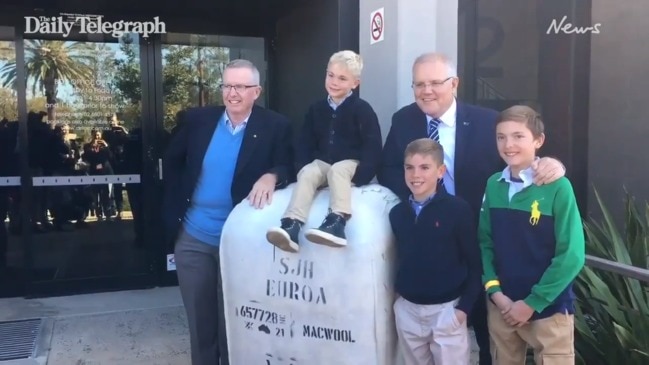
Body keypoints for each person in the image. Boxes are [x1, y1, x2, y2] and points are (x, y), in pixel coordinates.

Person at [377, 52, 566, 365]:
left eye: (435, 83)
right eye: (419, 84)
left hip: (483, 235)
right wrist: (423, 208)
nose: (427, 91)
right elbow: (389, 168)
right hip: (433, 239)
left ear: (454, 83)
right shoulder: (404, 120)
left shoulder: (486, 121)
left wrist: (553, 164)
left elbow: (517, 157)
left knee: (488, 328)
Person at [162, 59, 294, 365]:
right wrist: (173, 205)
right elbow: (172, 161)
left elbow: (290, 164)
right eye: (227, 85)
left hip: (241, 241)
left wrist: (272, 175)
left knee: (234, 319)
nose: (232, 93)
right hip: (193, 237)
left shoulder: (275, 126)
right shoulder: (198, 121)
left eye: (240, 86)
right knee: (199, 320)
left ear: (256, 91)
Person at [478, 105, 585, 365]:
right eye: (501, 137)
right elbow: (485, 242)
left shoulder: (558, 187)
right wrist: (496, 293)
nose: (508, 144)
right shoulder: (494, 184)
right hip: (502, 307)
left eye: (518, 136)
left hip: (549, 310)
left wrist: (532, 303)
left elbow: (571, 255)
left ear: (538, 140)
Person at [266, 50, 382, 252]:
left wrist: (363, 174)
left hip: (350, 164)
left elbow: (372, 145)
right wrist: (302, 166)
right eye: (331, 75)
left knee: (338, 170)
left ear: (355, 83)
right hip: (323, 163)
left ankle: (337, 221)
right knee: (310, 172)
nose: (334, 82)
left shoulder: (362, 110)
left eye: (342, 78)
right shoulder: (316, 109)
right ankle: (292, 224)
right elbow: (304, 141)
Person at [390, 138, 481, 365]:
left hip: (447, 310)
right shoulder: (397, 213)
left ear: (441, 171)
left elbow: (474, 262)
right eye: (409, 168)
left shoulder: (458, 210)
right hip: (408, 311)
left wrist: (463, 310)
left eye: (424, 167)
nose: (415, 174)